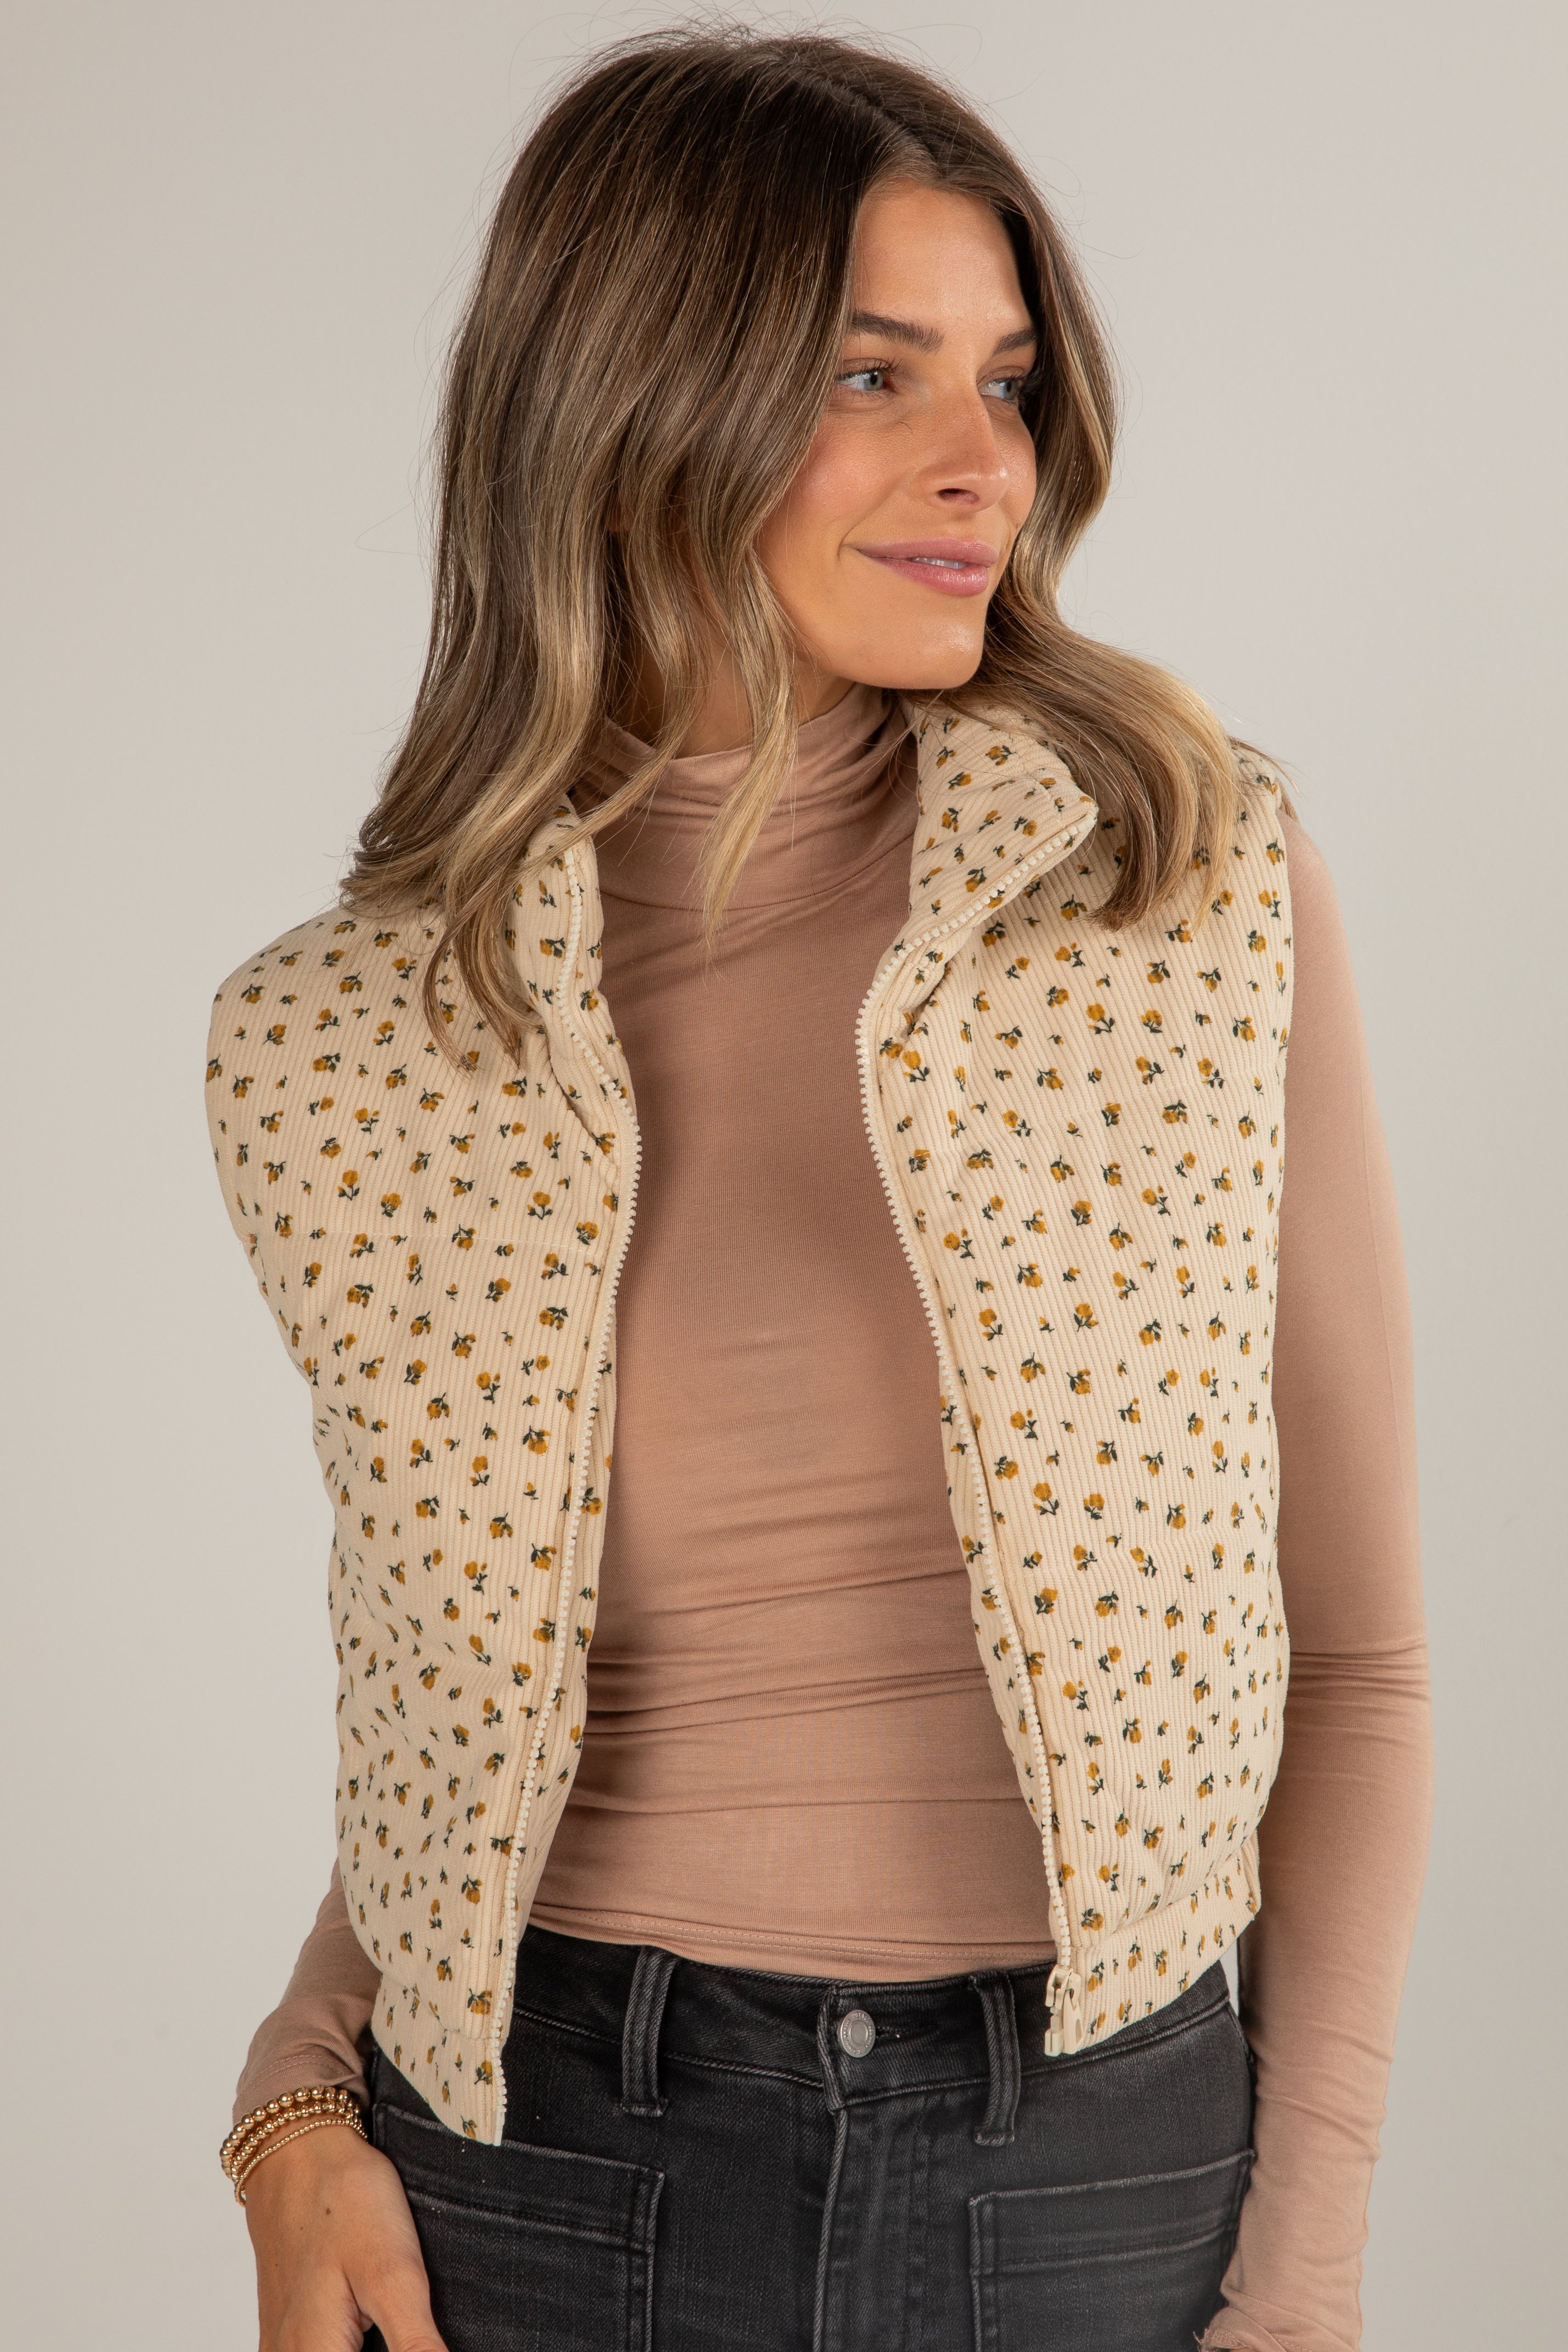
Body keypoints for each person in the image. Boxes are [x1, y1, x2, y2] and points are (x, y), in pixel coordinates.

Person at [203, 29, 1432, 2352]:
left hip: (1100, 2169)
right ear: (640, 385)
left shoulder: (1182, 884)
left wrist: (1305, 2282)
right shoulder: (339, 1039)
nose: (987, 466)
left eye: (1009, 379)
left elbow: (1358, 1658)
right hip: (539, 2182)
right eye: (878, 376)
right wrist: (291, 2097)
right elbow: (463, 1746)